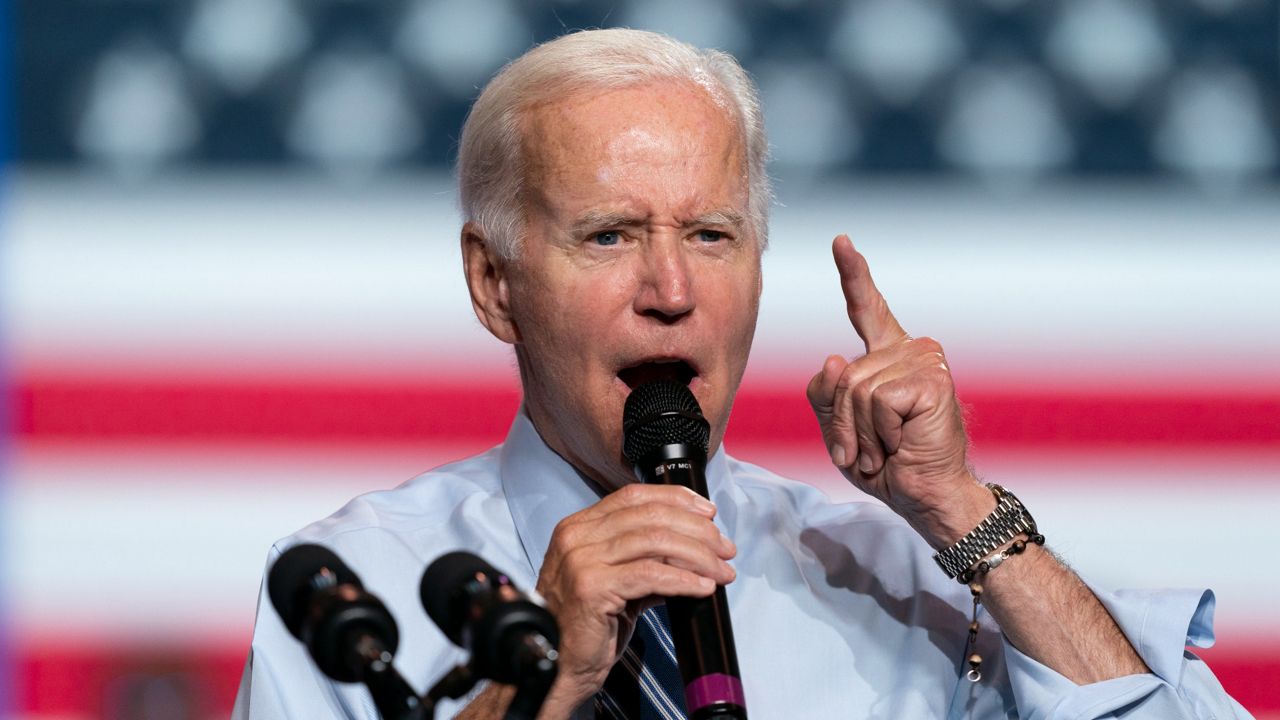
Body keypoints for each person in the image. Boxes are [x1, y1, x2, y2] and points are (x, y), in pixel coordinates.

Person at [232, 28, 1248, 719]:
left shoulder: (892, 581)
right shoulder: (345, 590)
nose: (670, 288)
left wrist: (964, 517)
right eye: (609, 235)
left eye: (711, 234)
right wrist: (539, 679)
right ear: (494, 283)